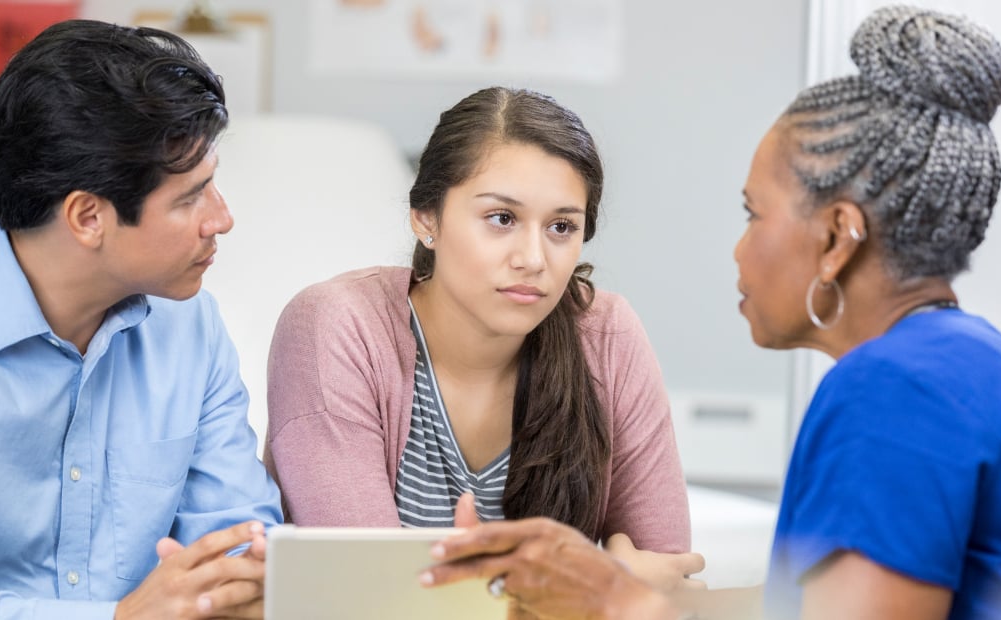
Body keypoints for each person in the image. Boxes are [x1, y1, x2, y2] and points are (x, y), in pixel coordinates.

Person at [420, 6, 1001, 619]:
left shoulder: (893, 388)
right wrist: (670, 597)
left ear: (835, 238)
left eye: (753, 214)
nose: (738, 248)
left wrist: (616, 603)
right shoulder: (963, 365)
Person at [0, 20, 283, 619]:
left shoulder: (190, 325)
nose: (220, 219)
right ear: (88, 217)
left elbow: (241, 544)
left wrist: (249, 582)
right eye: (189, 197)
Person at [265, 86, 699, 593]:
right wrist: (590, 588)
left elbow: (670, 588)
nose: (533, 259)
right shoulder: (337, 326)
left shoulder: (607, 336)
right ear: (427, 217)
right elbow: (368, 595)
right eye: (502, 219)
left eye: (561, 226)